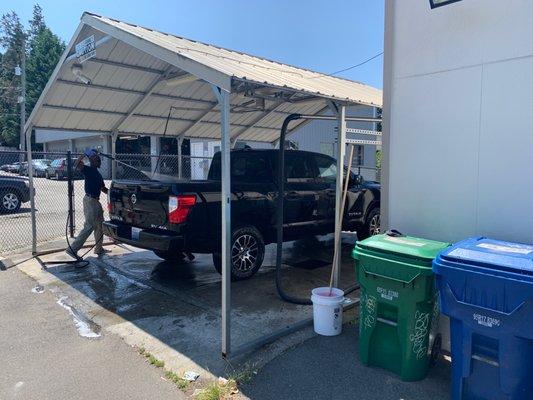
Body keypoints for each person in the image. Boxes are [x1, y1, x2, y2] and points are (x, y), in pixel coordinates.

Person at [66, 149, 109, 259]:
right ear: (92, 161)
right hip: (90, 200)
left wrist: (112, 192)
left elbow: (103, 188)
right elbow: (77, 164)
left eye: (98, 160)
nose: (98, 161)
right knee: (89, 226)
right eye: (95, 159)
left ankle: (99, 249)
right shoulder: (88, 170)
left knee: (99, 225)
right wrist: (83, 155)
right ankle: (72, 249)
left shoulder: (98, 174)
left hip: (96, 201)